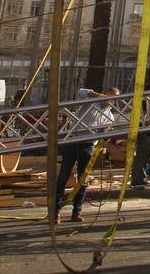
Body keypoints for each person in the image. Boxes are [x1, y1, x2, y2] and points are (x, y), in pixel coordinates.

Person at [53, 86, 119, 224]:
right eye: (109, 96)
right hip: (72, 142)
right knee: (63, 177)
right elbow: (80, 92)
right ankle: (55, 213)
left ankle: (76, 212)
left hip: (88, 145)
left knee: (83, 180)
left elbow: (103, 134)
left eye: (113, 98)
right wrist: (96, 95)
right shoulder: (90, 102)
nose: (110, 100)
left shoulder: (110, 116)